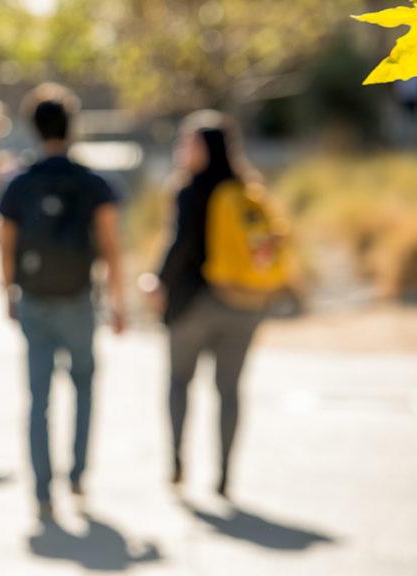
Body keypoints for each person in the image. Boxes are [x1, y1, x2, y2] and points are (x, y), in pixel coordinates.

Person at [0, 84, 127, 520]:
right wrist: (118, 300)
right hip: (77, 298)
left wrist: (8, 291)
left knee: (38, 398)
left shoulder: (19, 183)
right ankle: (77, 474)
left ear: (34, 128)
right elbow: (110, 247)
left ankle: (42, 490)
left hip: (34, 297)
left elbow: (6, 244)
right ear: (71, 127)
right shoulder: (92, 183)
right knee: (85, 384)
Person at [151, 110, 269, 498]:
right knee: (230, 390)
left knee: (179, 382)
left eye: (188, 141)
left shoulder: (191, 190)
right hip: (244, 303)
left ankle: (176, 461)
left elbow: (179, 246)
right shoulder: (247, 189)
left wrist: (157, 282)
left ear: (202, 148)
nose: (181, 148)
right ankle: (224, 473)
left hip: (195, 304)